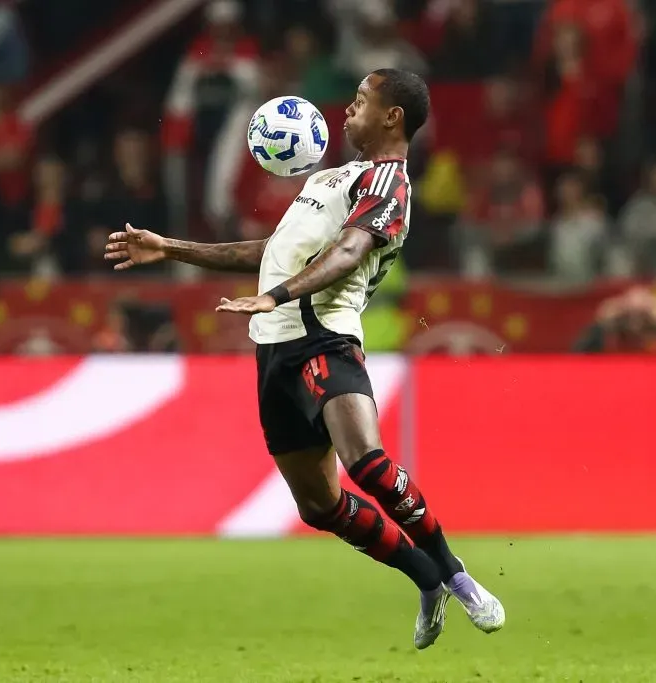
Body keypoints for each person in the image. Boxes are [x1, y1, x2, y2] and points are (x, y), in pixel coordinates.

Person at [105, 69, 505, 649]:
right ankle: (424, 579)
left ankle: (453, 572)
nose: (349, 110)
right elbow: (269, 254)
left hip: (325, 337)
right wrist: (172, 249)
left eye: (363, 100)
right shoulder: (336, 177)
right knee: (320, 506)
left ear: (393, 117)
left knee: (365, 462)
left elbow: (350, 250)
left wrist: (278, 295)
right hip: (273, 352)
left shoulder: (389, 181)